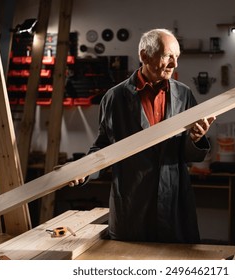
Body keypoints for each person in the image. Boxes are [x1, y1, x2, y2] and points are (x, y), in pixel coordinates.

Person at [71, 28, 216, 243]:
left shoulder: (183, 94)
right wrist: (83, 170)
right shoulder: (115, 97)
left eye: (177, 57)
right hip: (132, 204)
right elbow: (103, 148)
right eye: (168, 56)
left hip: (174, 202)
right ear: (144, 56)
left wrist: (195, 139)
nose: (175, 64)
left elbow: (190, 155)